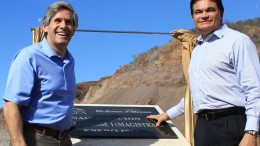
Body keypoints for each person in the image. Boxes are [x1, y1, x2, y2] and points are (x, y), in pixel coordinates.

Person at [147, 0, 260, 145]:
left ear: (221, 12)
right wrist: (167, 115)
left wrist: (251, 132)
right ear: (193, 17)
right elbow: (197, 95)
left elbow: (255, 89)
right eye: (198, 12)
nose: (204, 15)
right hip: (203, 128)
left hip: (231, 125)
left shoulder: (238, 41)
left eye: (210, 10)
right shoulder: (198, 50)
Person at [3, 1, 78, 146]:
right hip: (36, 139)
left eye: (69, 22)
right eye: (57, 20)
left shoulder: (70, 61)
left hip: (64, 139)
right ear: (45, 26)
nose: (63, 26)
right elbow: (11, 106)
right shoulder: (29, 57)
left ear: (74, 30)